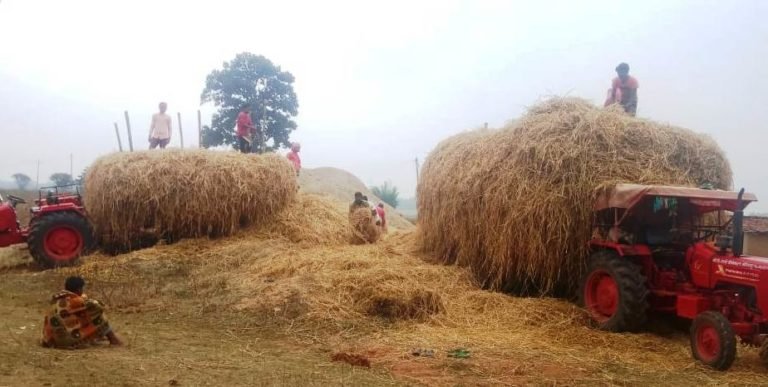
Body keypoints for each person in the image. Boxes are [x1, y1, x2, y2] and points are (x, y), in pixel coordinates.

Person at [42, 276, 122, 348]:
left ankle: (101, 336)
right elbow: (99, 306)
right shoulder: (76, 300)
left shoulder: (56, 299)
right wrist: (84, 298)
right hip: (65, 341)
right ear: (79, 289)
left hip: (51, 340)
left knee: (81, 317)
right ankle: (113, 339)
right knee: (99, 317)